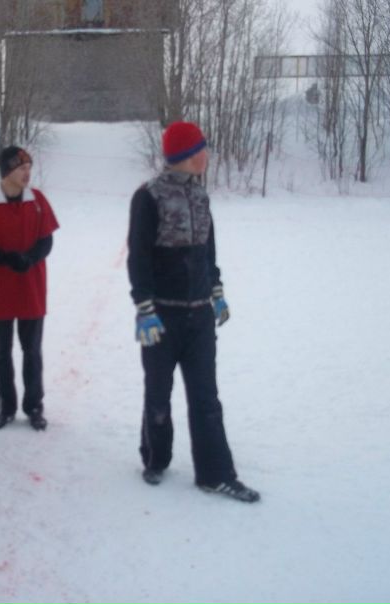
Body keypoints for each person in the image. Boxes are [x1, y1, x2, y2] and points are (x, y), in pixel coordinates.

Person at [126, 121, 260, 503]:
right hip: (162, 318)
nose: (207, 154)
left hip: (199, 316)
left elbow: (207, 251)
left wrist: (216, 290)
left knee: (206, 397)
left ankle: (215, 473)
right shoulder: (148, 197)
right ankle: (155, 458)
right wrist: (144, 307)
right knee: (158, 392)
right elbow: (139, 257)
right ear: (184, 154)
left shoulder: (201, 196)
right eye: (201, 148)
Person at [0, 146, 59, 430]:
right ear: (7, 172)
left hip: (31, 287)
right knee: (2, 351)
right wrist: (6, 259)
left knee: (32, 351)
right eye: (21, 168)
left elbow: (47, 241)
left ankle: (34, 406)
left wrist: (29, 259)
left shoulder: (38, 201)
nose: (27, 173)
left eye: (29, 167)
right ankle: (5, 406)